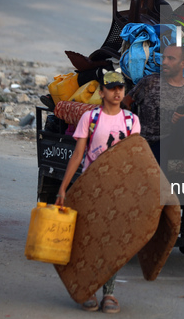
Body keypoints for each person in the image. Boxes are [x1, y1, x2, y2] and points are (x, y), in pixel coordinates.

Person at [55, 70, 140, 314]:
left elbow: (134, 159)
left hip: (118, 188)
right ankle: (88, 289)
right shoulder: (90, 118)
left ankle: (109, 293)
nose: (116, 92)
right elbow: (78, 155)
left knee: (112, 242)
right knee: (87, 240)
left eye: (120, 88)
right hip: (91, 185)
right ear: (101, 92)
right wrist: (63, 187)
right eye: (111, 88)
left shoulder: (131, 121)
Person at [123, 45, 184, 180]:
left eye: (170, 58)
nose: (164, 62)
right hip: (150, 141)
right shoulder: (150, 82)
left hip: (175, 142)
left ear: (183, 63)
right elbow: (126, 103)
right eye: (163, 57)